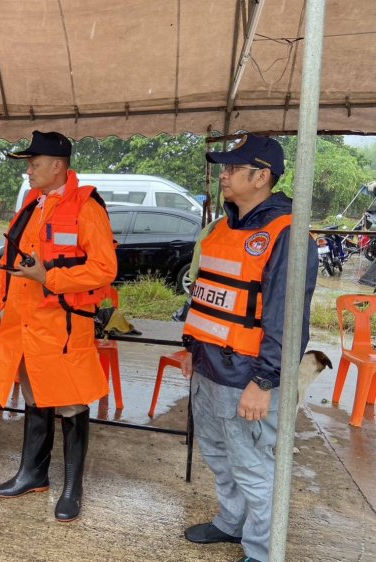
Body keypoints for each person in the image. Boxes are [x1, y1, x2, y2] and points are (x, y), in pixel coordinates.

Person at [180, 134, 318, 562]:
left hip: (248, 377)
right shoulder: (221, 229)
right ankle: (231, 522)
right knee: (219, 455)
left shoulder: (287, 234)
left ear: (262, 176)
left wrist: (265, 380)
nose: (224, 174)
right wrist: (191, 346)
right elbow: (204, 293)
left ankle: (262, 551)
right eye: (224, 167)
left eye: (233, 168)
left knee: (254, 467)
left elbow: (287, 318)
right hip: (208, 367)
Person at [0, 130, 117, 522]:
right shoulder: (33, 206)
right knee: (35, 398)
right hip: (24, 327)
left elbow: (105, 268)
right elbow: (11, 263)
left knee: (71, 403)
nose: (29, 171)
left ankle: (73, 487)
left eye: (35, 164)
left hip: (65, 329)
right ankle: (33, 473)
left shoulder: (86, 207)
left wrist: (50, 277)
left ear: (58, 166)